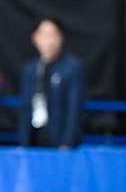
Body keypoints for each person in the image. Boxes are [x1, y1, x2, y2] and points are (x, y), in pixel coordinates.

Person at [18, 16, 84, 149]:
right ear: (35, 38)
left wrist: (67, 142)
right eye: (44, 35)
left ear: (60, 38)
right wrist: (23, 142)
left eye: (53, 35)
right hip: (34, 137)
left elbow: (74, 108)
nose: (49, 41)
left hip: (58, 140)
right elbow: (25, 107)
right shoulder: (30, 69)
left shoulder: (71, 68)